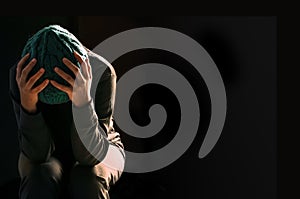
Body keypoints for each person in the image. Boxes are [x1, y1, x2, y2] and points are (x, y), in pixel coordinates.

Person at [8, 25, 125, 199]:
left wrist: (82, 103)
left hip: (102, 146)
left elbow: (89, 157)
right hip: (46, 149)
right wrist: (29, 105)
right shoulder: (22, 75)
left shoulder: (102, 72)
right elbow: (36, 155)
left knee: (87, 180)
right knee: (38, 178)